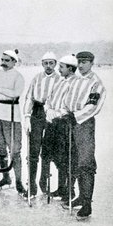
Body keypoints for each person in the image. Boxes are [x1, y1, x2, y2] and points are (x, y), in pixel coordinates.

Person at [61, 51, 106, 220]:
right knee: (74, 159)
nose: (80, 65)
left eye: (85, 62)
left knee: (85, 162)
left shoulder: (96, 83)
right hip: (70, 122)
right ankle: (80, 195)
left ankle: (87, 202)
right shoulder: (76, 81)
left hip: (84, 124)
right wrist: (64, 113)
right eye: (79, 62)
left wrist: (76, 116)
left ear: (92, 63)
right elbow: (67, 101)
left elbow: (93, 106)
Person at [0, 49, 26, 194]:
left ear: (14, 61)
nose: (3, 63)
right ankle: (6, 177)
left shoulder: (18, 76)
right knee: (0, 148)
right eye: (2, 60)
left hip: (12, 117)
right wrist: (4, 96)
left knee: (14, 150)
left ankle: (19, 181)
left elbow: (15, 94)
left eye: (7, 60)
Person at [22, 51, 60, 197]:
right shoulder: (37, 78)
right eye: (46, 63)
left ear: (55, 64)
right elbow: (29, 98)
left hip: (53, 114)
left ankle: (43, 180)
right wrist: (26, 116)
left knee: (48, 149)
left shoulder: (60, 79)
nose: (49, 66)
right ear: (42, 64)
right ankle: (31, 186)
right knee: (33, 150)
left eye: (51, 63)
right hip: (37, 113)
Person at [42, 55, 78, 201]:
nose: (59, 69)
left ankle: (70, 189)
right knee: (56, 156)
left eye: (62, 67)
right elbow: (49, 100)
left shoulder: (75, 83)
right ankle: (61, 187)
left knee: (67, 157)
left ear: (70, 68)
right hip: (52, 123)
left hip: (65, 123)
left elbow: (71, 104)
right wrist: (48, 110)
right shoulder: (60, 82)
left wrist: (59, 113)